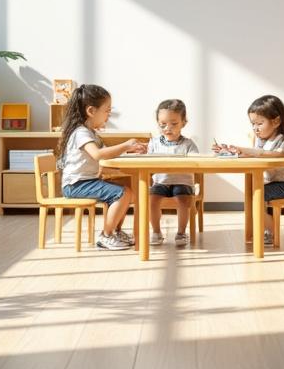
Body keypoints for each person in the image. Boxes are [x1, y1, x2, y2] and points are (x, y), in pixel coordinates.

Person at [56, 84, 145, 250]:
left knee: (128, 192)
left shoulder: (91, 133)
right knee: (122, 193)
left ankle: (115, 232)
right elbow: (97, 155)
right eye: (107, 110)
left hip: (85, 182)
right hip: (76, 185)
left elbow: (105, 155)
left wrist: (129, 150)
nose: (109, 115)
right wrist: (126, 145)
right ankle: (106, 235)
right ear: (91, 111)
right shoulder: (81, 132)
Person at [213, 94, 284, 245]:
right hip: (275, 184)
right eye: (253, 124)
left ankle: (273, 231)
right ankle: (269, 231)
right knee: (255, 194)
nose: (255, 128)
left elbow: (267, 155)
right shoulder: (263, 141)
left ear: (276, 121)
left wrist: (244, 149)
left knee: (257, 197)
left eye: (259, 123)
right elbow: (256, 156)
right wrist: (230, 151)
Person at [147, 99, 200, 247]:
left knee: (183, 200)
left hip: (182, 182)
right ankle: (156, 232)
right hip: (161, 182)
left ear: (184, 122)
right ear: (157, 122)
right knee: (152, 200)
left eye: (174, 124)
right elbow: (148, 161)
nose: (167, 128)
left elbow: (196, 162)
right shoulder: (154, 142)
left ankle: (181, 232)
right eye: (162, 124)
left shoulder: (188, 144)